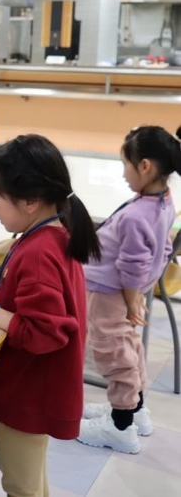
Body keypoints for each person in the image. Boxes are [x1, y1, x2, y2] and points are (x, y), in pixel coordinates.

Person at [0, 134, 100, 497]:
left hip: (28, 392)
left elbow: (42, 332)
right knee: (33, 482)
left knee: (20, 485)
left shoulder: (39, 251)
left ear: (29, 201)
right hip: (38, 387)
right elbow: (37, 301)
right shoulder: (50, 234)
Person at [76, 126, 180, 454]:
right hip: (122, 291)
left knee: (114, 353)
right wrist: (139, 293)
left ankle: (120, 426)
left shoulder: (137, 215)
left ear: (145, 166)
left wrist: (133, 299)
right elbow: (162, 251)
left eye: (125, 165)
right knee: (130, 346)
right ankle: (135, 409)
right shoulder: (163, 201)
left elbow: (133, 264)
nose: (123, 174)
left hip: (110, 292)